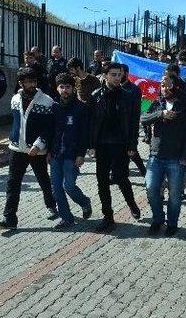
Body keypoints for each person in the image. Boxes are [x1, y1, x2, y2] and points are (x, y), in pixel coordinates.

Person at [0, 67, 58, 230]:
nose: (31, 84)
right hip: (16, 149)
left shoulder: (46, 101)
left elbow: (49, 128)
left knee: (43, 180)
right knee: (12, 183)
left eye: (33, 81)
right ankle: (9, 218)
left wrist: (39, 145)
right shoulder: (14, 98)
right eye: (27, 81)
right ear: (21, 82)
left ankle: (52, 206)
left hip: (36, 150)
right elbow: (16, 123)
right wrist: (12, 139)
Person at [89, 62, 141, 232]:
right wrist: (92, 145)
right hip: (102, 145)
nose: (118, 78)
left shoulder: (128, 96)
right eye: (113, 74)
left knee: (121, 177)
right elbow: (92, 124)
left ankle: (132, 204)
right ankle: (108, 217)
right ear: (104, 76)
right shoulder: (95, 96)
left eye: (119, 74)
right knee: (102, 181)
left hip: (121, 144)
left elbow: (134, 123)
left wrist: (132, 144)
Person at [141, 75, 186, 236]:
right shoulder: (157, 103)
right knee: (151, 188)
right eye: (162, 86)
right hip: (155, 156)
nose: (165, 89)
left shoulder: (185, 106)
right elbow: (143, 118)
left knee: (174, 195)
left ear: (176, 86)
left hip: (177, 159)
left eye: (168, 85)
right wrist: (160, 114)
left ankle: (172, 223)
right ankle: (158, 219)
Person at [49, 73, 92, 229]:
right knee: (56, 187)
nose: (65, 90)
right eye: (62, 87)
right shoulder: (54, 107)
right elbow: (50, 131)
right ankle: (66, 218)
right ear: (57, 88)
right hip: (55, 154)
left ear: (73, 89)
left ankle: (85, 202)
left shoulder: (81, 108)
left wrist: (81, 154)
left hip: (72, 154)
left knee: (69, 186)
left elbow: (84, 133)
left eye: (68, 87)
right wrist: (48, 151)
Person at [120, 64, 147, 177]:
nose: (117, 76)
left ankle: (145, 173)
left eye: (120, 73)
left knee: (132, 152)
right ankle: (119, 175)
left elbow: (135, 113)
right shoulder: (115, 87)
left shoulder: (134, 89)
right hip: (117, 127)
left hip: (129, 126)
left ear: (126, 74)